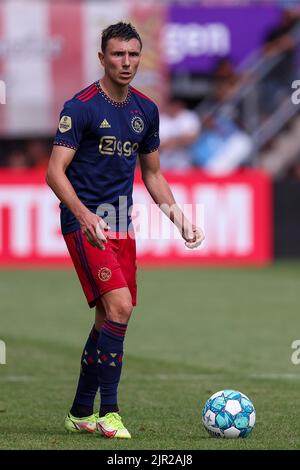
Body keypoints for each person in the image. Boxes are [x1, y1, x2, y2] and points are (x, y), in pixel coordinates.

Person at [46, 22, 204, 440]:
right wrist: (82, 215)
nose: (127, 62)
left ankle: (80, 411)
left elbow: (153, 175)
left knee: (107, 321)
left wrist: (181, 219)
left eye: (133, 55)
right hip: (86, 224)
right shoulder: (79, 106)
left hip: (121, 223)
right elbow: (54, 172)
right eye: (118, 54)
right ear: (102, 58)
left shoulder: (145, 111)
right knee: (120, 308)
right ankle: (109, 414)